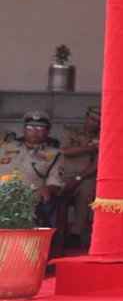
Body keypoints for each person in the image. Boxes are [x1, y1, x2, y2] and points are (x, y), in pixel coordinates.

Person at [0, 110, 64, 225]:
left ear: (48, 131)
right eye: (30, 127)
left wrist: (48, 189)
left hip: (26, 200)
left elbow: (55, 182)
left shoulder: (54, 154)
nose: (34, 131)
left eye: (40, 128)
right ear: (24, 129)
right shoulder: (5, 148)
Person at [59, 104, 101, 247]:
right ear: (86, 117)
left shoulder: (103, 137)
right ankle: (56, 232)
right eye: (92, 119)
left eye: (98, 121)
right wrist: (91, 147)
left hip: (85, 177)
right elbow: (65, 151)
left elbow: (98, 163)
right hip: (63, 175)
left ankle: (75, 235)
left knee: (87, 190)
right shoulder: (71, 132)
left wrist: (78, 178)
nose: (94, 123)